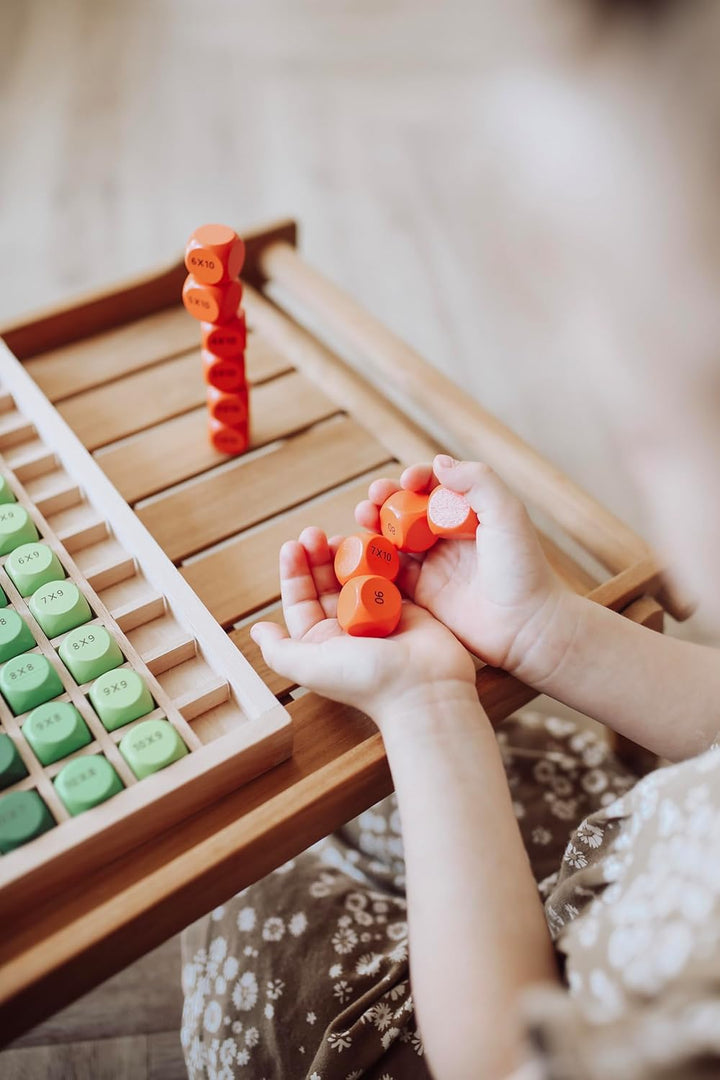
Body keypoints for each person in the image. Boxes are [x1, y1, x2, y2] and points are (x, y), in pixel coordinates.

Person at [181, 1, 720, 1075]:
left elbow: (497, 1060)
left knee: (251, 894)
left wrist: (431, 713)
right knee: (511, 748)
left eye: (674, 412)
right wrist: (552, 636)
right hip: (662, 851)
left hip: (517, 1026)